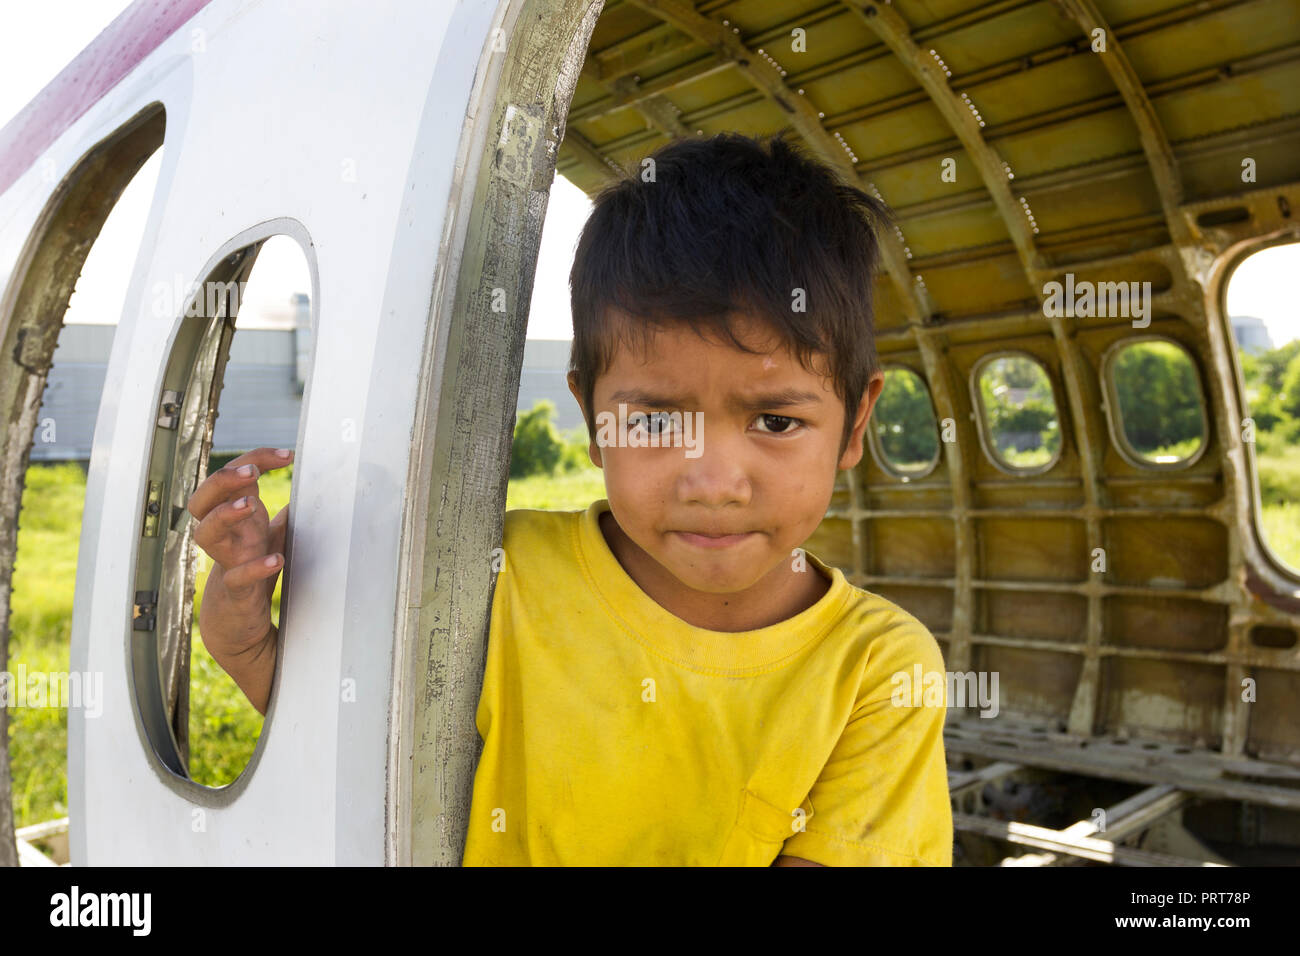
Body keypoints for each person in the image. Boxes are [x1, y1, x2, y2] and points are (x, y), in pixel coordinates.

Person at [187, 129, 953, 866]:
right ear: (593, 418)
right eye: (656, 420)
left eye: (776, 421)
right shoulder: (495, 575)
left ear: (854, 425)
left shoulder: (878, 670)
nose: (715, 481)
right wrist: (248, 639)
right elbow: (364, 758)